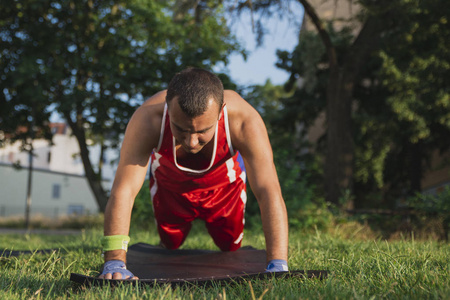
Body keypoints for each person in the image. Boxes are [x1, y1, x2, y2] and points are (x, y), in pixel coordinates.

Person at [98, 68, 289, 280]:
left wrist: (278, 263)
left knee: (229, 245)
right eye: (181, 129)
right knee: (170, 244)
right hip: (171, 186)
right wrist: (114, 261)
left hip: (223, 188)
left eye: (202, 131)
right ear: (168, 109)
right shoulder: (148, 119)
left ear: (220, 112)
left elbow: (268, 190)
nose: (191, 142)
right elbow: (123, 190)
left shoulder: (244, 121)